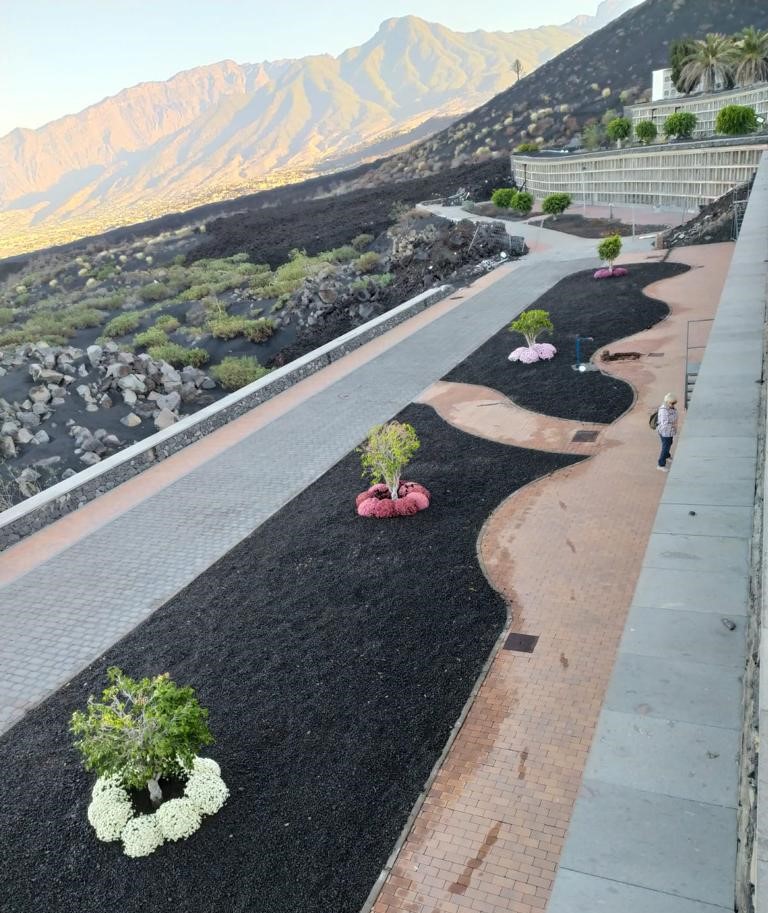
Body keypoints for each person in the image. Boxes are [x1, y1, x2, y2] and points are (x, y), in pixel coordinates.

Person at [656, 393, 678, 472]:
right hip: (665, 432)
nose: (673, 405)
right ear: (667, 402)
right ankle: (661, 464)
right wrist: (672, 425)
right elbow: (664, 423)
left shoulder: (671, 408)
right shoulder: (664, 410)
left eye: (674, 403)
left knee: (669, 443)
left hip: (670, 431)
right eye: (672, 403)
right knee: (665, 447)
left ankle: (667, 456)